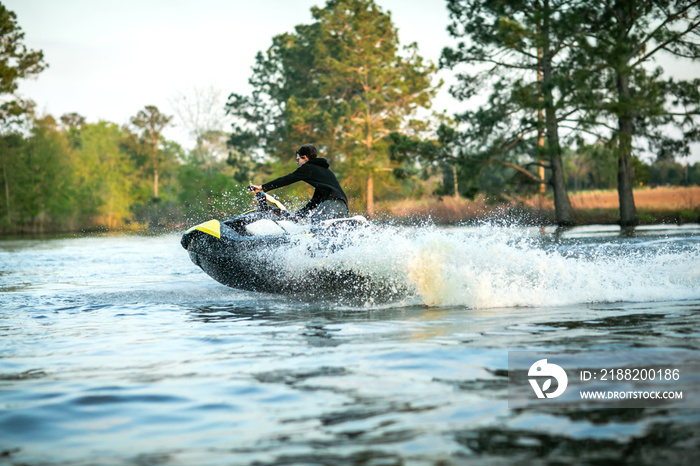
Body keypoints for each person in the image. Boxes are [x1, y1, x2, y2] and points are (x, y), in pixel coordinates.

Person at [249, 144, 349, 222]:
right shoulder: (322, 173)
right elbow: (315, 201)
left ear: (305, 157)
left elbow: (287, 179)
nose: (297, 163)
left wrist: (262, 187)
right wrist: (298, 215)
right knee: (330, 229)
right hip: (341, 205)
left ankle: (317, 247)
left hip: (333, 203)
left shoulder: (308, 167)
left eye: (298, 159)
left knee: (317, 219)